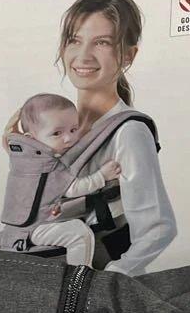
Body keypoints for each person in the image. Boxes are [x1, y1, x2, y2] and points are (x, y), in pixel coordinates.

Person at [54, 0, 176, 275]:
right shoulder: (55, 128)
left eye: (102, 43)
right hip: (54, 277)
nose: (83, 55)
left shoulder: (128, 132)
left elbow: (158, 228)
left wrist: (110, 280)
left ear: (128, 55)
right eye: (75, 40)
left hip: (98, 281)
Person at [13, 92, 121, 266]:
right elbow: (73, 189)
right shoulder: (43, 165)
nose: (69, 138)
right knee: (79, 234)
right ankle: (78, 276)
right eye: (57, 133)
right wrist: (102, 176)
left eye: (73, 130)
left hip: (35, 223)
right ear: (32, 140)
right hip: (33, 229)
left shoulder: (27, 159)